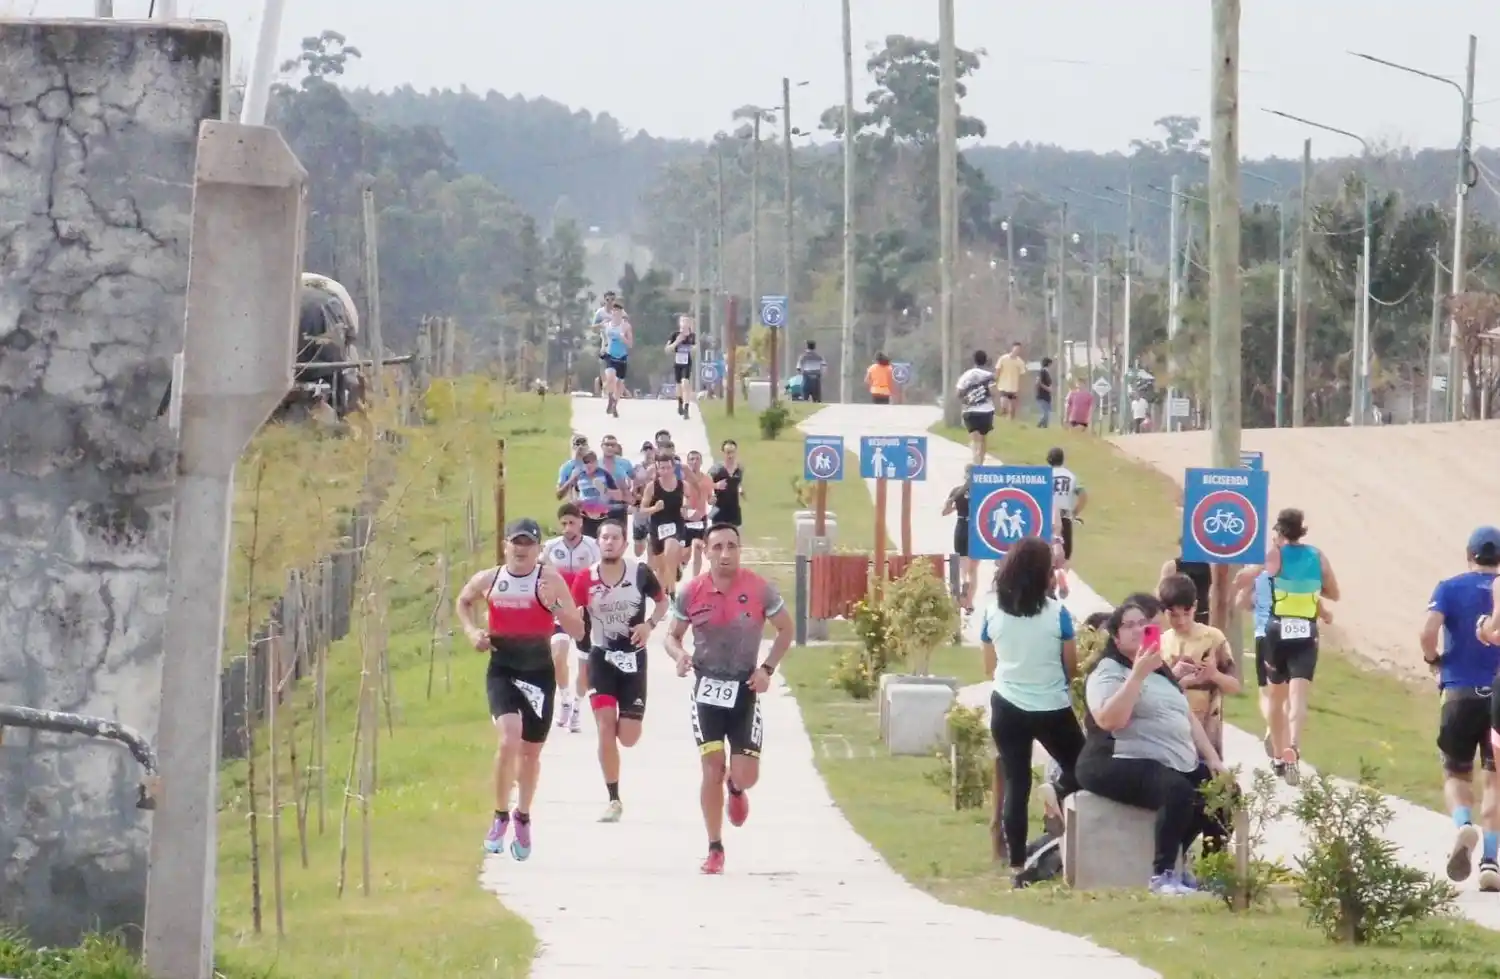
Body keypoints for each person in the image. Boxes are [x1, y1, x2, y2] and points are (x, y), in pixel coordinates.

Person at [664, 523, 794, 874]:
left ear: (740, 549)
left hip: (744, 688)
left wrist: (766, 669)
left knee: (745, 774)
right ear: (705, 551)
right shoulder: (691, 592)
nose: (725, 553)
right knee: (711, 767)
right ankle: (714, 847)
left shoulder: (759, 589)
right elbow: (671, 636)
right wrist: (679, 656)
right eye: (717, 546)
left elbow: (786, 628)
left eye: (731, 546)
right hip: (707, 688)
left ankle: (736, 788)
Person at [1077, 600, 1231, 895]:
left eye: (1143, 624)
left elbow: (1184, 714)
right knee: (1177, 791)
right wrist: (1136, 675)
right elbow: (1111, 720)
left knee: (1221, 793)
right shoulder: (1108, 671)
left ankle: (1208, 871)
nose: (1137, 630)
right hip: (1114, 758)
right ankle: (1162, 876)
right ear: (1116, 636)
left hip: (1165, 758)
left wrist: (1213, 759)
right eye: (1129, 625)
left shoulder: (1160, 668)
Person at [455, 517, 584, 860]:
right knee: (508, 739)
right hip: (503, 668)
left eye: (529, 543)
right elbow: (463, 601)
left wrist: (553, 606)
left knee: (530, 754)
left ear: (539, 549)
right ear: (506, 545)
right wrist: (471, 633)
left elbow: (579, 630)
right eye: (517, 542)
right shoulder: (490, 579)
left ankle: (522, 816)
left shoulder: (550, 580)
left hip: (539, 673)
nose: (522, 549)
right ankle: (498, 817)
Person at [980, 537, 1084, 887]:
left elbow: (987, 666)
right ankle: (1057, 792)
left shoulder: (991, 612)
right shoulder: (1058, 615)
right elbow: (1072, 666)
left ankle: (1016, 864)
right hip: (1052, 706)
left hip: (1007, 705)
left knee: (1016, 781)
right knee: (1083, 768)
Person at [569, 519, 669, 823]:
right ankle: (613, 798)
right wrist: (580, 658)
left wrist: (649, 625)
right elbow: (575, 621)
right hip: (601, 657)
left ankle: (624, 730)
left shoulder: (640, 573)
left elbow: (663, 603)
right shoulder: (585, 579)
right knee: (604, 727)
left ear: (624, 543)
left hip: (634, 658)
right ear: (597, 543)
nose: (609, 542)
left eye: (615, 537)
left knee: (627, 736)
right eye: (604, 537)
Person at [1422, 526, 1500, 889]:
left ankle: (1464, 824)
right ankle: (1490, 862)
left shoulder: (1449, 587)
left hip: (1459, 691)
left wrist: (1432, 658)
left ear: (1470, 555)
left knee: (1455, 773)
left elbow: (1428, 630)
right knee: (1495, 779)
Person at [1257, 507, 1340, 785]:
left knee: (1275, 698)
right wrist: (1314, 591)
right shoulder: (1318, 556)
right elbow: (1334, 593)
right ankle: (1293, 744)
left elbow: (1256, 576)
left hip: (1277, 628)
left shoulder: (1275, 556)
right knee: (1298, 698)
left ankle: (1279, 757)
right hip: (1306, 630)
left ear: (1279, 530)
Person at [1158, 574, 1241, 752]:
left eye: (1186, 614)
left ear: (1195, 606)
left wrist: (1215, 675)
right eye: (1173, 615)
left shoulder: (1213, 639)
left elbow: (1234, 687)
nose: (1181, 621)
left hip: (1207, 729)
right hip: (1168, 729)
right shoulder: (1161, 642)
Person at [540, 504, 603, 734]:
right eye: (564, 523)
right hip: (559, 610)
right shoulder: (550, 548)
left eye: (572, 523)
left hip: (585, 611)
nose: (568, 528)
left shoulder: (592, 546)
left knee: (584, 664)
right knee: (558, 656)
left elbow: (600, 576)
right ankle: (565, 699)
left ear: (581, 523)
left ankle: (577, 706)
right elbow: (541, 575)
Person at [639, 449, 689, 596]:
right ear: (657, 468)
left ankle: (672, 592)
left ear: (673, 467)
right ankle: (663, 597)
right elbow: (642, 509)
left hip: (676, 525)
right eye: (662, 468)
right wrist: (654, 508)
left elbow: (688, 500)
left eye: (668, 467)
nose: (665, 471)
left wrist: (685, 507)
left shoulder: (682, 484)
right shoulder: (652, 487)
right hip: (657, 527)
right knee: (661, 568)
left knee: (670, 550)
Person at [555, 449, 618, 537]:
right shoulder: (578, 475)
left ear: (596, 462)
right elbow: (560, 495)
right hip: (584, 516)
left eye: (591, 462)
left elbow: (616, 493)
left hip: (603, 515)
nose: (588, 465)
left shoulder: (604, 474)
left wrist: (606, 492)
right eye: (585, 462)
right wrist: (571, 479)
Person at [941, 466, 977, 614]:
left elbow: (945, 512)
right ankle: (969, 602)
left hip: (961, 526)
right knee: (973, 569)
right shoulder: (980, 492)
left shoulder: (957, 491)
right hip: (975, 528)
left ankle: (964, 581)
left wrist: (952, 504)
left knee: (962, 563)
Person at [955, 350, 996, 465]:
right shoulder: (988, 376)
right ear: (985, 361)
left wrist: (968, 397)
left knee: (974, 438)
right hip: (986, 410)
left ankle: (975, 460)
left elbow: (958, 393)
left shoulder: (966, 375)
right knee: (983, 438)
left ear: (974, 360)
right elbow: (993, 392)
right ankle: (980, 463)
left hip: (970, 410)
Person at [1046, 447, 1087, 561]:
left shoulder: (1045, 475)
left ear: (1048, 460)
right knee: (1065, 554)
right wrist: (1075, 512)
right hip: (1064, 517)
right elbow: (1083, 495)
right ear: (1063, 460)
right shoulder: (1071, 476)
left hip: (1047, 517)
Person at [681, 449, 717, 578]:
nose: (694, 462)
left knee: (698, 548)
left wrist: (713, 500)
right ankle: (681, 566)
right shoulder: (681, 480)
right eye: (691, 459)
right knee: (685, 554)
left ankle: (695, 580)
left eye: (697, 459)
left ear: (701, 462)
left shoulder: (707, 479)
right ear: (687, 462)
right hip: (684, 519)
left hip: (700, 519)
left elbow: (710, 498)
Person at [1159, 543, 1212, 626]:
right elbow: (1161, 593)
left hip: (1201, 615)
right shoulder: (1172, 566)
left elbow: (1160, 593)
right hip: (1180, 614)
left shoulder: (1211, 565)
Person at [600, 303, 633, 417]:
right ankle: (610, 398)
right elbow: (604, 338)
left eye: (618, 312)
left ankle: (615, 404)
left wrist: (623, 337)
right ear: (612, 313)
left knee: (619, 384)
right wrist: (603, 348)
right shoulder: (607, 325)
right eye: (614, 311)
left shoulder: (626, 326)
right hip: (610, 355)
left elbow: (630, 344)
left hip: (622, 357)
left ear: (621, 313)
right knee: (610, 378)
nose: (616, 314)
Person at [665, 314, 698, 420]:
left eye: (686, 321)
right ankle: (680, 403)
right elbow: (667, 349)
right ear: (679, 323)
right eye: (682, 321)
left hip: (687, 363)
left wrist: (692, 348)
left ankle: (686, 408)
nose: (684, 324)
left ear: (689, 324)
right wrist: (677, 342)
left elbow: (695, 349)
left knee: (685, 383)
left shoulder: (692, 336)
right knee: (679, 386)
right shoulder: (674, 335)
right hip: (677, 363)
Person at [708, 439, 745, 529]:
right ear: (723, 453)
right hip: (719, 510)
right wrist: (715, 487)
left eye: (733, 452)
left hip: (734, 511)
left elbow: (738, 482)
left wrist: (740, 489)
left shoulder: (739, 469)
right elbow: (705, 483)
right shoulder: (716, 469)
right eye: (728, 452)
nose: (730, 456)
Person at [994, 341, 1026, 420]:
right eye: (1016, 348)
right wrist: (995, 381)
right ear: (1012, 348)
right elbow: (998, 370)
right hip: (1003, 386)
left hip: (1014, 388)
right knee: (1003, 405)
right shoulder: (1003, 358)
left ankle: (1011, 422)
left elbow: (1022, 375)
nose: (1017, 350)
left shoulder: (1020, 362)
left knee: (1012, 409)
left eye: (1019, 349)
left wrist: (1020, 388)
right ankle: (1003, 418)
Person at [1035, 356, 1055, 428]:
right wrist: (1047, 388)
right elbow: (1038, 382)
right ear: (1049, 364)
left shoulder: (1047, 373)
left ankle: (1044, 428)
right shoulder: (1042, 372)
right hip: (1041, 396)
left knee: (1047, 414)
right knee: (1045, 414)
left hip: (1047, 396)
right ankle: (1038, 426)